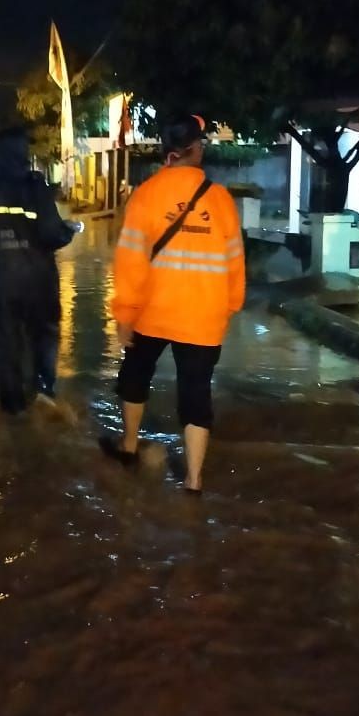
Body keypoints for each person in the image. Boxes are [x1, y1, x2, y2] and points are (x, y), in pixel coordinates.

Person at [101, 116, 245, 493]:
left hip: (151, 313)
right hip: (203, 318)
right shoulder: (221, 199)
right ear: (195, 149)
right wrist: (228, 307)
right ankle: (194, 481)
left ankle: (129, 447)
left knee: (135, 377)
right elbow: (235, 261)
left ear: (167, 152)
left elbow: (129, 261)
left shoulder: (146, 194)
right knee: (196, 393)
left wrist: (124, 314)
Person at [0, 127, 80, 414]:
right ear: (23, 155)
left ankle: (12, 407)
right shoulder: (36, 189)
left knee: (5, 343)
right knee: (45, 335)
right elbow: (52, 234)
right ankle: (43, 392)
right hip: (38, 281)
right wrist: (71, 231)